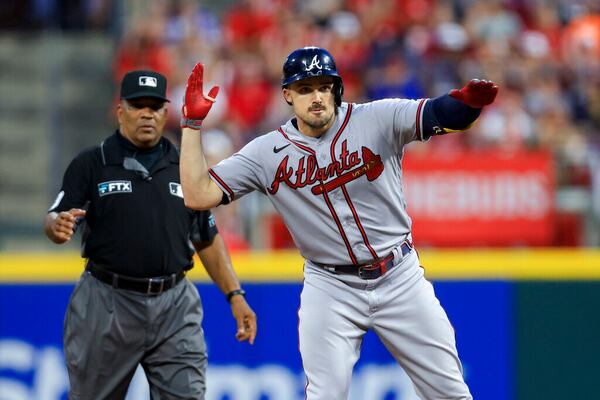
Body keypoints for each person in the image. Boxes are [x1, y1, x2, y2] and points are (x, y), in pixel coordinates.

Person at [179, 47, 498, 399]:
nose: (316, 97)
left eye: (323, 86)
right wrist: (192, 126)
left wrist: (468, 104)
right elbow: (197, 195)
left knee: (451, 393)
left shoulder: (376, 118)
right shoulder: (266, 153)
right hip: (331, 287)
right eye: (305, 89)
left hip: (400, 276)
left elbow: (442, 113)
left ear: (336, 88)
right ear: (287, 95)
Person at [44, 69, 257, 400]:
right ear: (120, 111)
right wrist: (56, 225)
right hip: (107, 302)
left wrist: (235, 294)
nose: (147, 113)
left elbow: (206, 235)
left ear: (165, 112)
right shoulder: (92, 162)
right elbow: (57, 214)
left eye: (155, 106)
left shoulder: (185, 167)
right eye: (138, 105)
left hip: (173, 302)